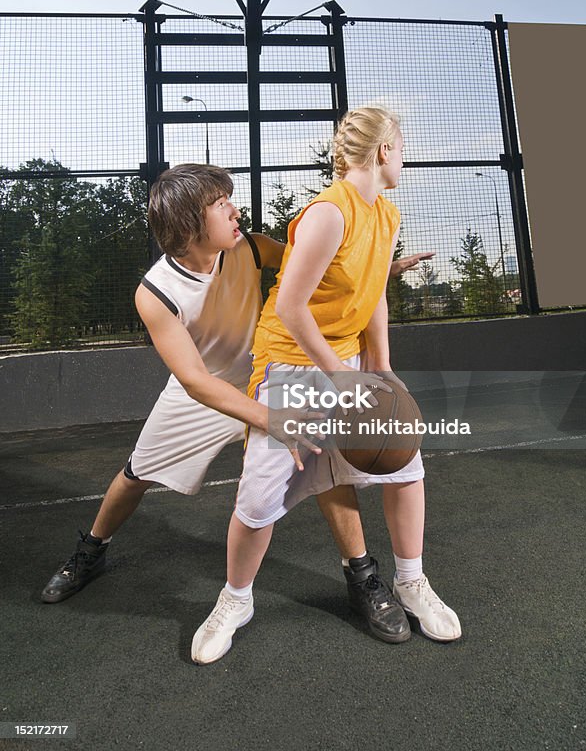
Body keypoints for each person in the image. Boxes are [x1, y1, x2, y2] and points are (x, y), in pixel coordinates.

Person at [41, 162, 433, 637]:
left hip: (268, 372)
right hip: (205, 392)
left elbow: (319, 267)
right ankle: (91, 551)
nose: (236, 210)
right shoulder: (156, 292)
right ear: (189, 225)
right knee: (136, 474)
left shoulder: (248, 245)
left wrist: (378, 271)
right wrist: (272, 418)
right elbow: (194, 381)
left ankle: (363, 575)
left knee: (323, 467)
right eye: (222, 204)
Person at [191, 109, 461, 665]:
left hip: (348, 355)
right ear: (384, 151)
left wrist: (380, 369)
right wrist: (339, 378)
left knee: (405, 463)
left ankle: (411, 580)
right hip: (291, 362)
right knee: (261, 498)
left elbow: (373, 295)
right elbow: (290, 306)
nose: (405, 156)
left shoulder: (387, 215)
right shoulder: (328, 212)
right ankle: (235, 599)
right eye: (402, 145)